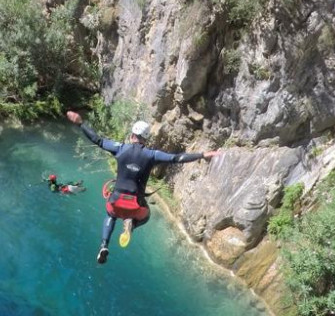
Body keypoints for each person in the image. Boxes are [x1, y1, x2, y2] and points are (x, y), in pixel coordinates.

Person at [66, 110, 220, 264]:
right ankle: (131, 224)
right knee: (146, 216)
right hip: (136, 205)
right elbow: (176, 158)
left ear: (132, 135)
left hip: (116, 200)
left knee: (111, 214)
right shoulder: (152, 155)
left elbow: (97, 140)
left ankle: (104, 245)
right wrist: (202, 155)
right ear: (145, 138)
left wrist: (80, 123)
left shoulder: (120, 148)